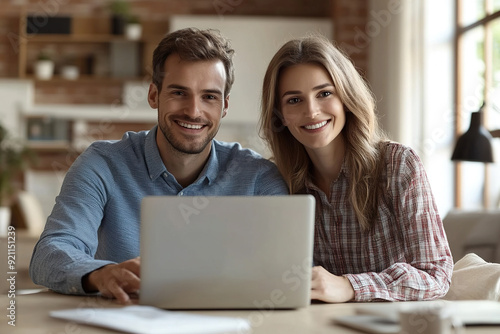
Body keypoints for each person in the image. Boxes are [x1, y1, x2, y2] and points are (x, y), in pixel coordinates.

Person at [30, 28, 288, 304]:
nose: (193, 111)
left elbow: (291, 269)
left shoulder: (259, 178)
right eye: (179, 92)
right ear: (154, 95)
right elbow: (50, 253)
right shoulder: (102, 164)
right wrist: (101, 274)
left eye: (209, 97)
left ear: (224, 106)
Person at [259, 35, 453, 303]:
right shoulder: (275, 180)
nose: (312, 111)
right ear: (279, 115)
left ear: (346, 97)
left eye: (324, 93)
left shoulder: (398, 165)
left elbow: (436, 273)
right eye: (294, 100)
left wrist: (350, 286)